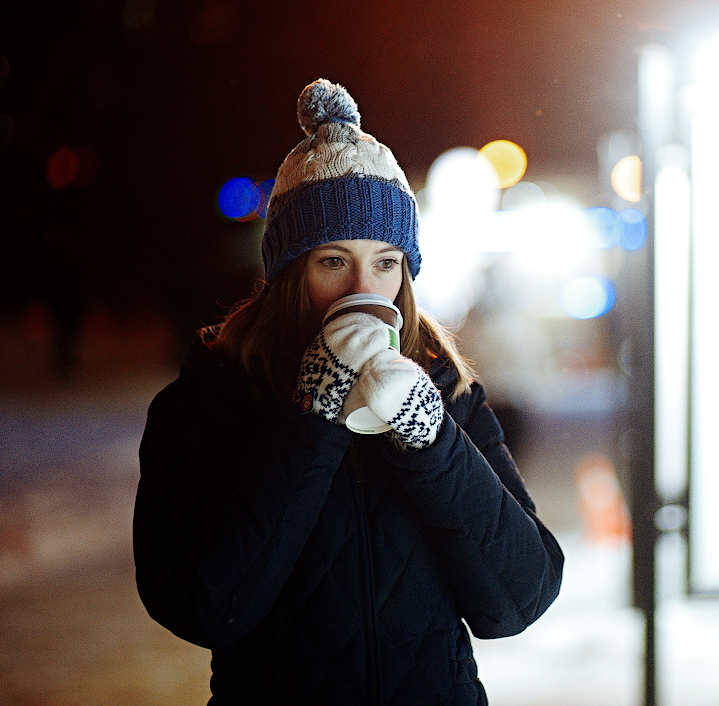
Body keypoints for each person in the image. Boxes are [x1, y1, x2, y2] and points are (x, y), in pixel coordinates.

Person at [133, 79, 564, 705]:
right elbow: (203, 607)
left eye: (387, 262)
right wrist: (308, 418)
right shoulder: (210, 400)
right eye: (333, 261)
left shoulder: (449, 390)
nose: (364, 287)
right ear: (287, 273)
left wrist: (433, 438)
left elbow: (519, 598)